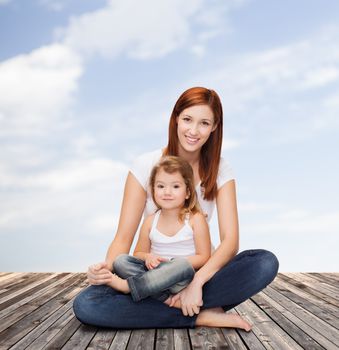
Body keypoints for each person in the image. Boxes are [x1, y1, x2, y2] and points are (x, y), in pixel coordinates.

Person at [73, 86, 279, 330]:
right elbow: (123, 239)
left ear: (214, 127)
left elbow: (230, 242)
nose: (193, 131)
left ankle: (178, 305)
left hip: (199, 275)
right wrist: (106, 272)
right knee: (87, 304)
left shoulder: (221, 170)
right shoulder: (145, 165)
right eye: (188, 120)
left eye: (204, 123)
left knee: (264, 262)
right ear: (175, 119)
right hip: (150, 277)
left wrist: (196, 284)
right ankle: (198, 316)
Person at [109, 155, 211, 304]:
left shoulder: (196, 219)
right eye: (161, 186)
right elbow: (138, 253)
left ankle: (128, 287)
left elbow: (204, 257)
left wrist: (171, 264)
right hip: (154, 276)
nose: (167, 192)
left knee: (182, 265)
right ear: (153, 190)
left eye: (175, 186)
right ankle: (167, 300)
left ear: (188, 192)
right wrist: (148, 257)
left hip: (180, 278)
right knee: (121, 261)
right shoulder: (150, 221)